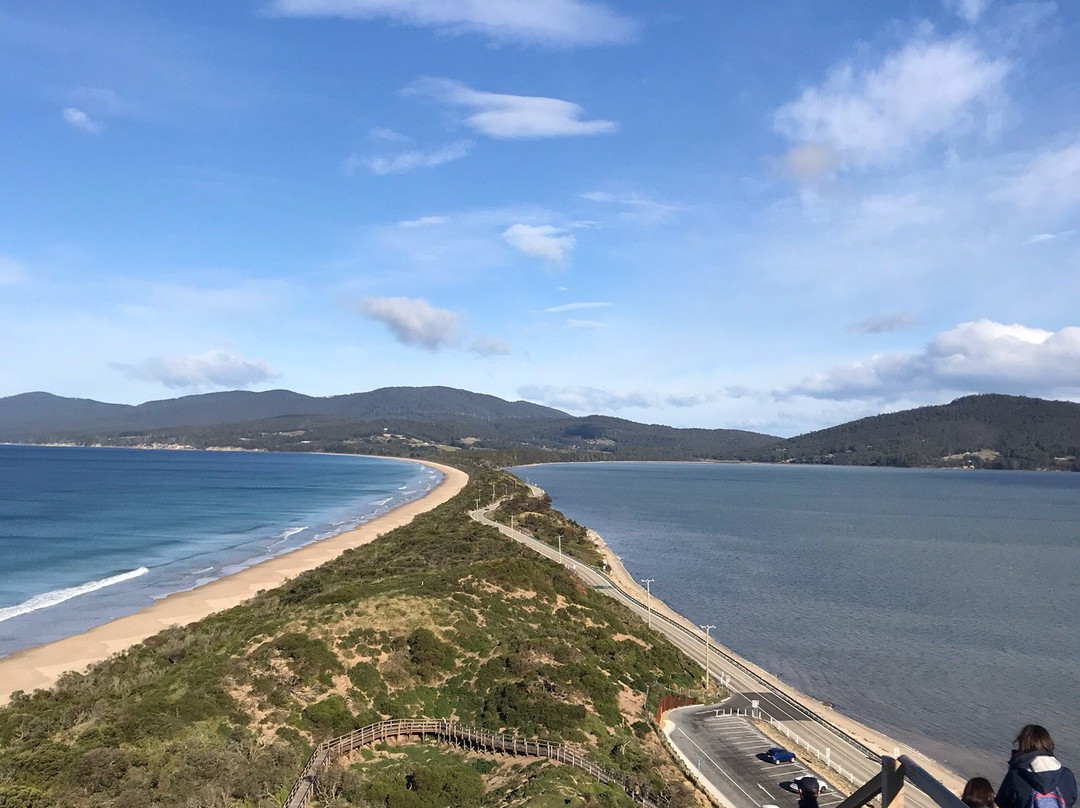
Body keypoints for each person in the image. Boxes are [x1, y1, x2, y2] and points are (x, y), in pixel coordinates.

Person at [996, 725, 1077, 808]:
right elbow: (1071, 799)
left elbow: (1001, 802)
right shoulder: (1066, 775)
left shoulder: (1016, 775)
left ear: (1022, 745)